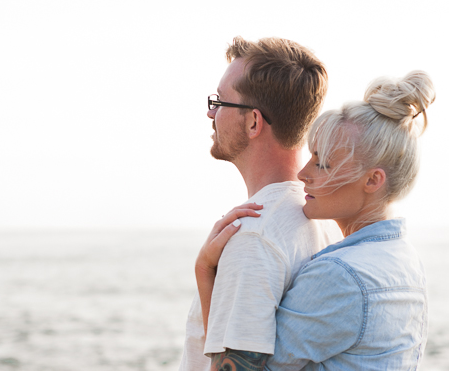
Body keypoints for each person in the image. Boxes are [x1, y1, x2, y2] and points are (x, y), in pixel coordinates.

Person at [195, 70, 435, 370]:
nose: (303, 173)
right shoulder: (405, 260)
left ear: (373, 180)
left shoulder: (340, 276)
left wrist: (205, 271)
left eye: (322, 164)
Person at [179, 37, 343, 370]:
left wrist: (204, 272)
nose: (211, 112)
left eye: (220, 102)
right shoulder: (324, 218)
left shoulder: (255, 235)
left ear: (253, 122)